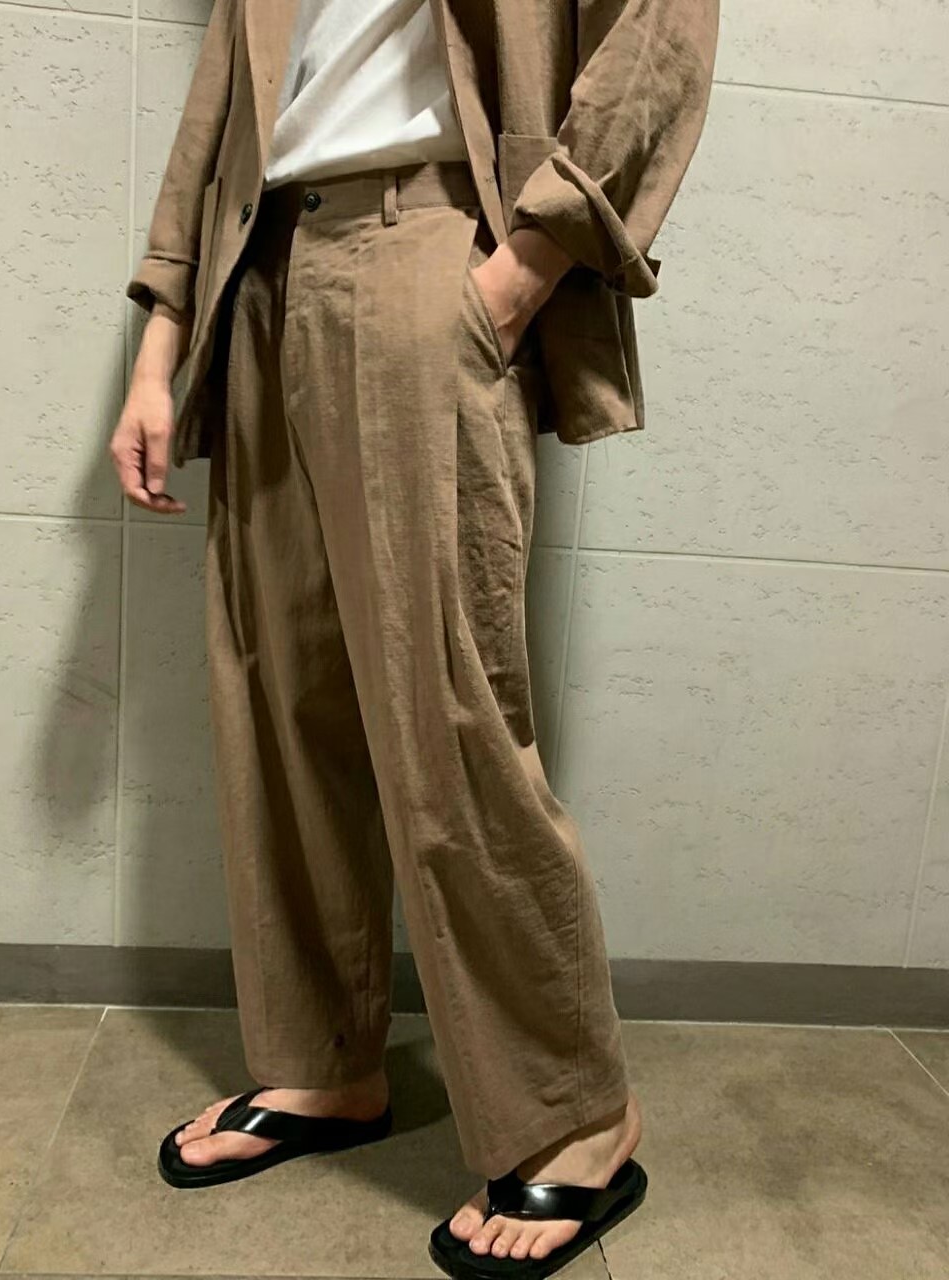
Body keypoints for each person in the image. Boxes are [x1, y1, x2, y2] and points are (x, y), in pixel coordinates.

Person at [110, 2, 718, 1276]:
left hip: (429, 247)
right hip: (262, 261)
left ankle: (574, 1111)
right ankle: (321, 1062)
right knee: (279, 697)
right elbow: (223, 104)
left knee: (445, 708)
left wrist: (528, 261)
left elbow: (660, 27)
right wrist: (160, 341)